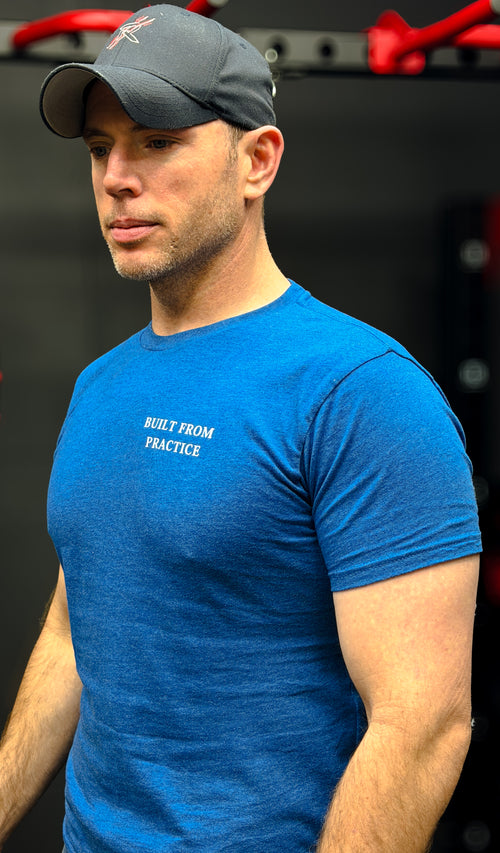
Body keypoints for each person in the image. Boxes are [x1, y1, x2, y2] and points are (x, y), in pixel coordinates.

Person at [0, 5, 481, 852]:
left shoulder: (359, 393)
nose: (116, 176)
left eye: (155, 141)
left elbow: (423, 725)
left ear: (257, 160)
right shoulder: (101, 386)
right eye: (99, 148)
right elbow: (75, 632)